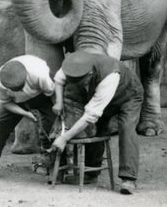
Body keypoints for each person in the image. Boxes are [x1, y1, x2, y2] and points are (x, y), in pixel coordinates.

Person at [51, 50, 144, 195]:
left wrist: (64, 138)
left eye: (81, 83)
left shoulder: (109, 77)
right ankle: (91, 173)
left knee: (126, 128)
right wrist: (59, 102)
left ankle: (128, 178)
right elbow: (58, 80)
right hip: (102, 94)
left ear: (89, 76)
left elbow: (90, 116)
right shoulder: (72, 66)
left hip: (128, 94)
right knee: (97, 129)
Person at [0, 55, 55, 181]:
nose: (20, 90)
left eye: (21, 87)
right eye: (15, 89)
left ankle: (52, 161)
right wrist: (25, 113)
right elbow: (6, 103)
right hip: (15, 102)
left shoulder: (39, 73)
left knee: (52, 124)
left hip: (42, 94)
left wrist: (54, 112)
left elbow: (51, 93)